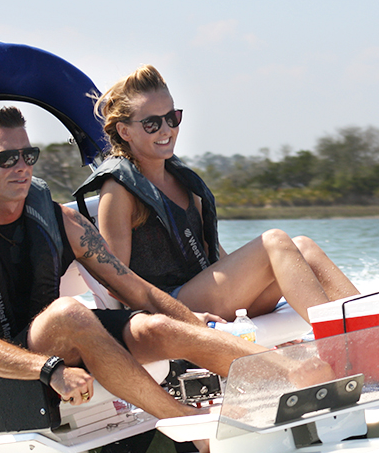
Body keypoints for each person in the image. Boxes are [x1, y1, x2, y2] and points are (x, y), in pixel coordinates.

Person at [0, 106, 273, 441]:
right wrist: (51, 371)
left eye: (29, 156)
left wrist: (189, 320)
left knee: (156, 325)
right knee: (68, 312)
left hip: (67, 338)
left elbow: (133, 287)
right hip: (9, 368)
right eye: (6, 158)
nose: (22, 167)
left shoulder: (60, 219)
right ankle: (189, 425)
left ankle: (288, 379)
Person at [75, 65, 359, 325]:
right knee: (275, 241)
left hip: (208, 293)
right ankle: (342, 345)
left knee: (304, 248)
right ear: (125, 130)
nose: (167, 130)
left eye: (172, 118)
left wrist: (248, 274)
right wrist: (184, 315)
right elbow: (117, 281)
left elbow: (215, 258)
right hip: (170, 306)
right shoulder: (119, 191)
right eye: (152, 124)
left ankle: (378, 331)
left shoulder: (182, 181)